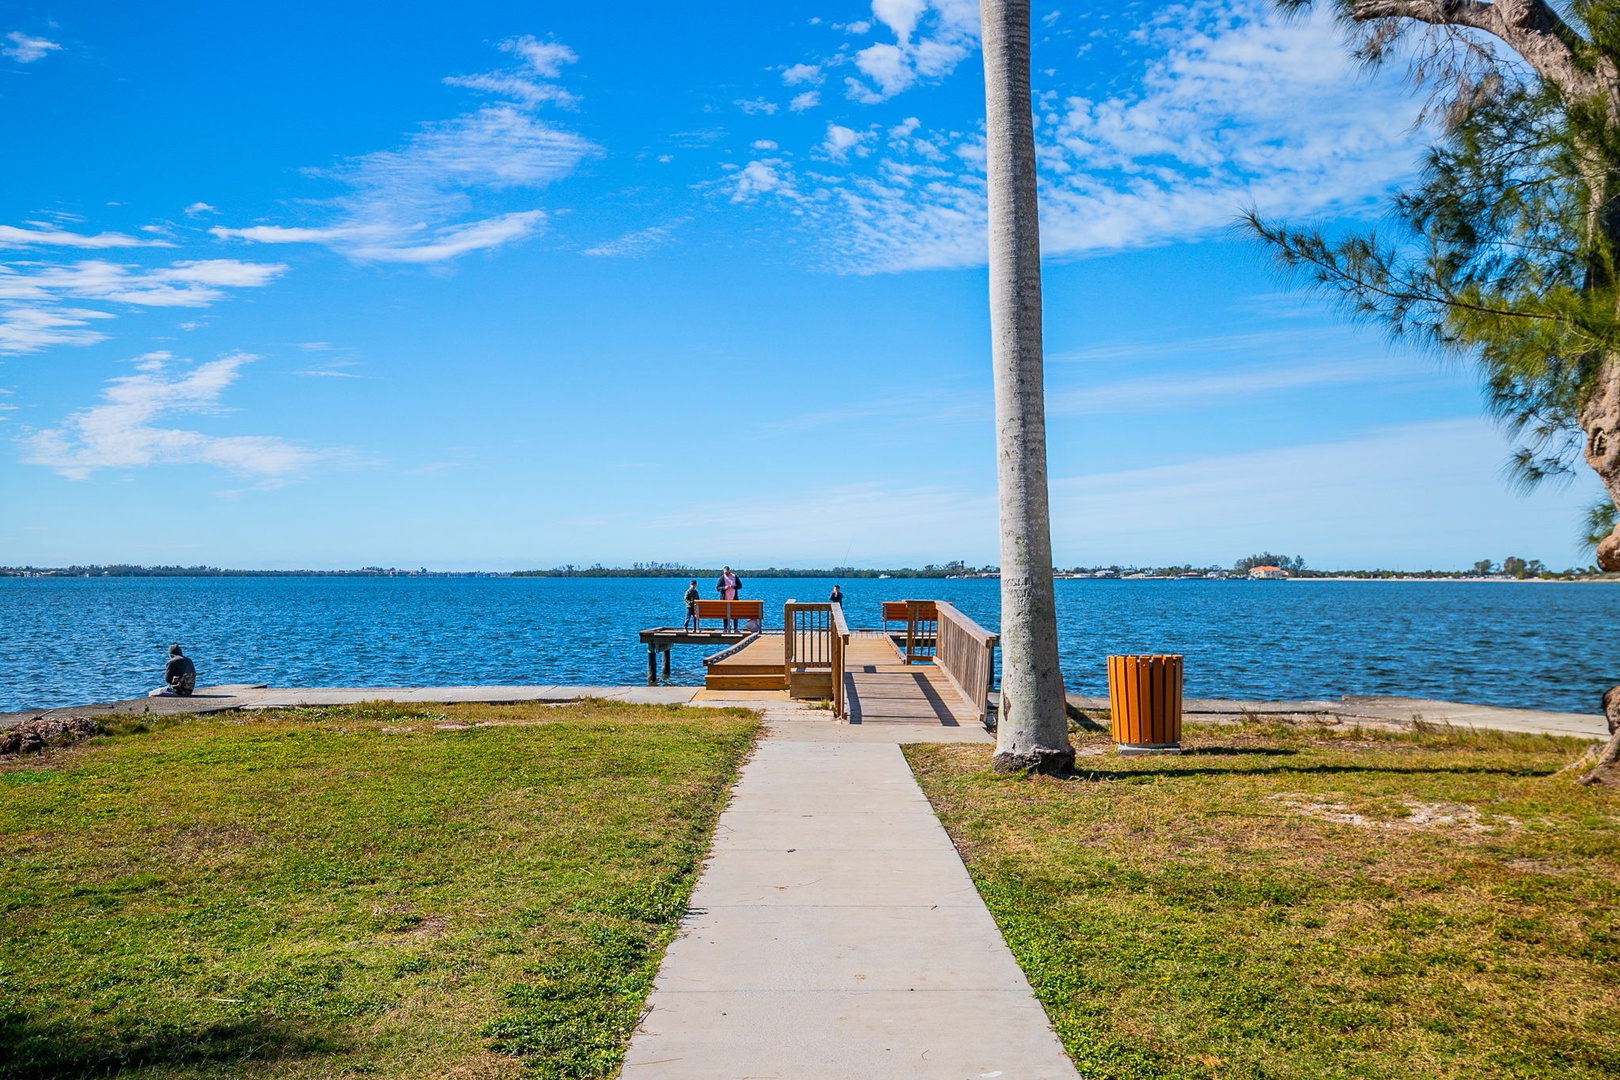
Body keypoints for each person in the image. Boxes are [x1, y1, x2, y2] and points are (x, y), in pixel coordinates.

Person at [715, 566, 742, 631]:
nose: (726, 574)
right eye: (725, 573)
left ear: (729, 571)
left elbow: (740, 586)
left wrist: (734, 587)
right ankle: (725, 628)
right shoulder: (722, 578)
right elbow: (717, 588)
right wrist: (724, 588)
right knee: (725, 614)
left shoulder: (734, 577)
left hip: (734, 599)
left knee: (735, 614)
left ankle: (735, 628)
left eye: (727, 573)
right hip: (725, 599)